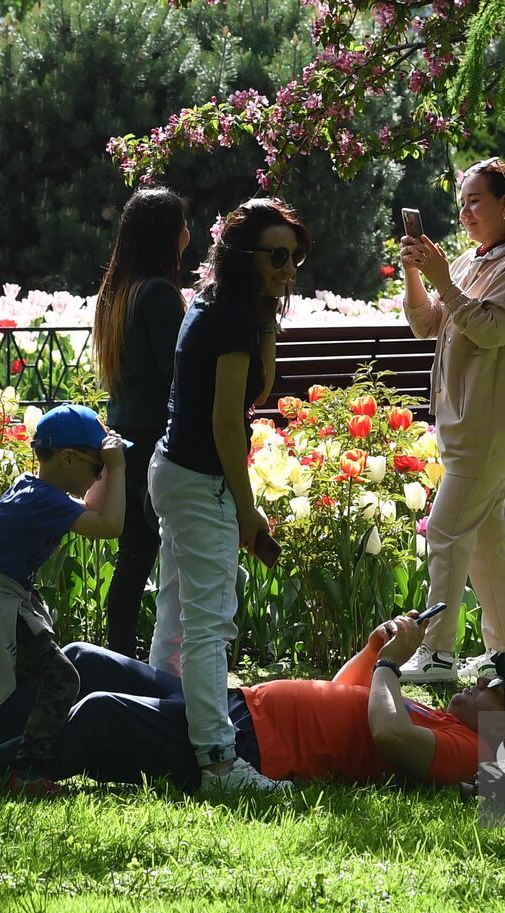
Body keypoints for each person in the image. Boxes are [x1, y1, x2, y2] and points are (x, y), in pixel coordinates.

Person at [0, 613, 505, 795]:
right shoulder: (444, 715)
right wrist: (376, 650)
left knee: (96, 715)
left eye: (493, 685)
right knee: (87, 661)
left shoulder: (468, 748)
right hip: (237, 706)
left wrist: (393, 673)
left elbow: (387, 736)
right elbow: (349, 695)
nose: (478, 679)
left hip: (244, 747)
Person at [147, 198, 309, 795]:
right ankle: (217, 761)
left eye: (295, 257)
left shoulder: (217, 303)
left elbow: (254, 392)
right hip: (202, 479)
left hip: (173, 471)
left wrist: (268, 315)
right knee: (210, 627)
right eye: (276, 257)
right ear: (243, 256)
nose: (289, 269)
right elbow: (226, 424)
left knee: (177, 620)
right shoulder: (233, 318)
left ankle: (163, 728)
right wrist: (246, 510)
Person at [397, 157, 505, 684]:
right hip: (462, 424)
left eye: (475, 201)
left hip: (488, 428)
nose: (465, 212)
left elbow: (491, 331)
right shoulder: (469, 261)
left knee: (443, 532)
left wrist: (443, 277)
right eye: (460, 203)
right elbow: (425, 324)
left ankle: (436, 655)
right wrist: (418, 272)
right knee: (486, 541)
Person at [0, 404, 127, 794]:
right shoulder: (42, 500)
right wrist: (117, 469)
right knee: (61, 679)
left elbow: (93, 509)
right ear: (68, 458)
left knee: (33, 687)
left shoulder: (36, 491)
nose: (100, 474)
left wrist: (108, 463)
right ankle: (27, 773)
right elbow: (110, 525)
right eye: (96, 466)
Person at [92, 187, 189, 658]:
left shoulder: (117, 291)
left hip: (121, 440)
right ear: (167, 235)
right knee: (166, 559)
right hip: (155, 443)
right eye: (182, 224)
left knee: (132, 559)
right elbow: (178, 375)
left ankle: (117, 654)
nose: (189, 232)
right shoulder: (159, 294)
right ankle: (152, 659)